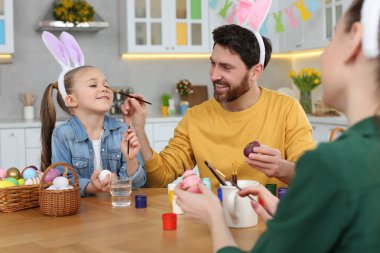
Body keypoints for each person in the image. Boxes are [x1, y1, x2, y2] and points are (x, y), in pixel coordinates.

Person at [174, 0, 380, 252]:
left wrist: (214, 216)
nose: (325, 54)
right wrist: (289, 218)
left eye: (333, 39)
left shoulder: (332, 164)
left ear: (354, 40)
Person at [122, 24, 315, 189]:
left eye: (226, 67)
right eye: (213, 64)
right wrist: (139, 129)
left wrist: (281, 167)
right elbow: (161, 178)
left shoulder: (287, 109)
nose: (214, 75)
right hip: (216, 219)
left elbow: (313, 178)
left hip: (272, 221)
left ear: (255, 72)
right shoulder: (196, 117)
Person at [40, 32, 146, 196]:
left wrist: (131, 160)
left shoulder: (122, 130)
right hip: (81, 215)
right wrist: (91, 187)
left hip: (118, 210)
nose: (104, 88)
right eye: (93, 85)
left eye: (106, 84)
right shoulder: (63, 135)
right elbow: (61, 181)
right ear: (72, 100)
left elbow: (140, 182)